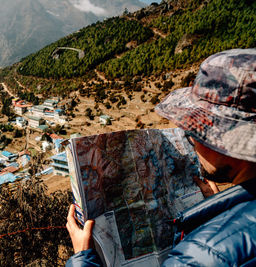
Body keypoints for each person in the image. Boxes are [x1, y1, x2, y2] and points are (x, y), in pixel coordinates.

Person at [65, 48, 256, 266]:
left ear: (226, 141)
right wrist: (217, 211)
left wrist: (82, 258)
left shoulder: (197, 256)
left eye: (197, 131)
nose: (191, 141)